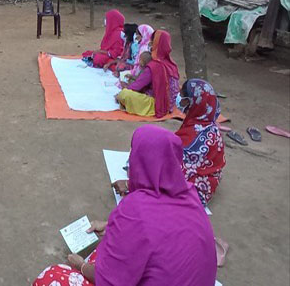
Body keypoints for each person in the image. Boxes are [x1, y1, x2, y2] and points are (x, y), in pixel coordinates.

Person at [33, 125, 217, 286]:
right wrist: (112, 225)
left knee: (51, 277)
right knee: (113, 249)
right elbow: (161, 232)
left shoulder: (136, 209)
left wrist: (81, 266)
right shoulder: (190, 194)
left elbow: (109, 281)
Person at [175, 79, 226, 206]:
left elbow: (177, 171)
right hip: (209, 183)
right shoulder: (210, 127)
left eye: (181, 95)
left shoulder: (192, 136)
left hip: (193, 193)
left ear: (191, 101)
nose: (178, 97)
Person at [116, 29, 179, 118]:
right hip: (170, 103)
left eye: (152, 42)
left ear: (157, 45)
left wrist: (124, 89)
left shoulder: (154, 66)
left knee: (125, 94)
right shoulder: (171, 64)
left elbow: (137, 85)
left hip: (157, 105)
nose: (150, 44)